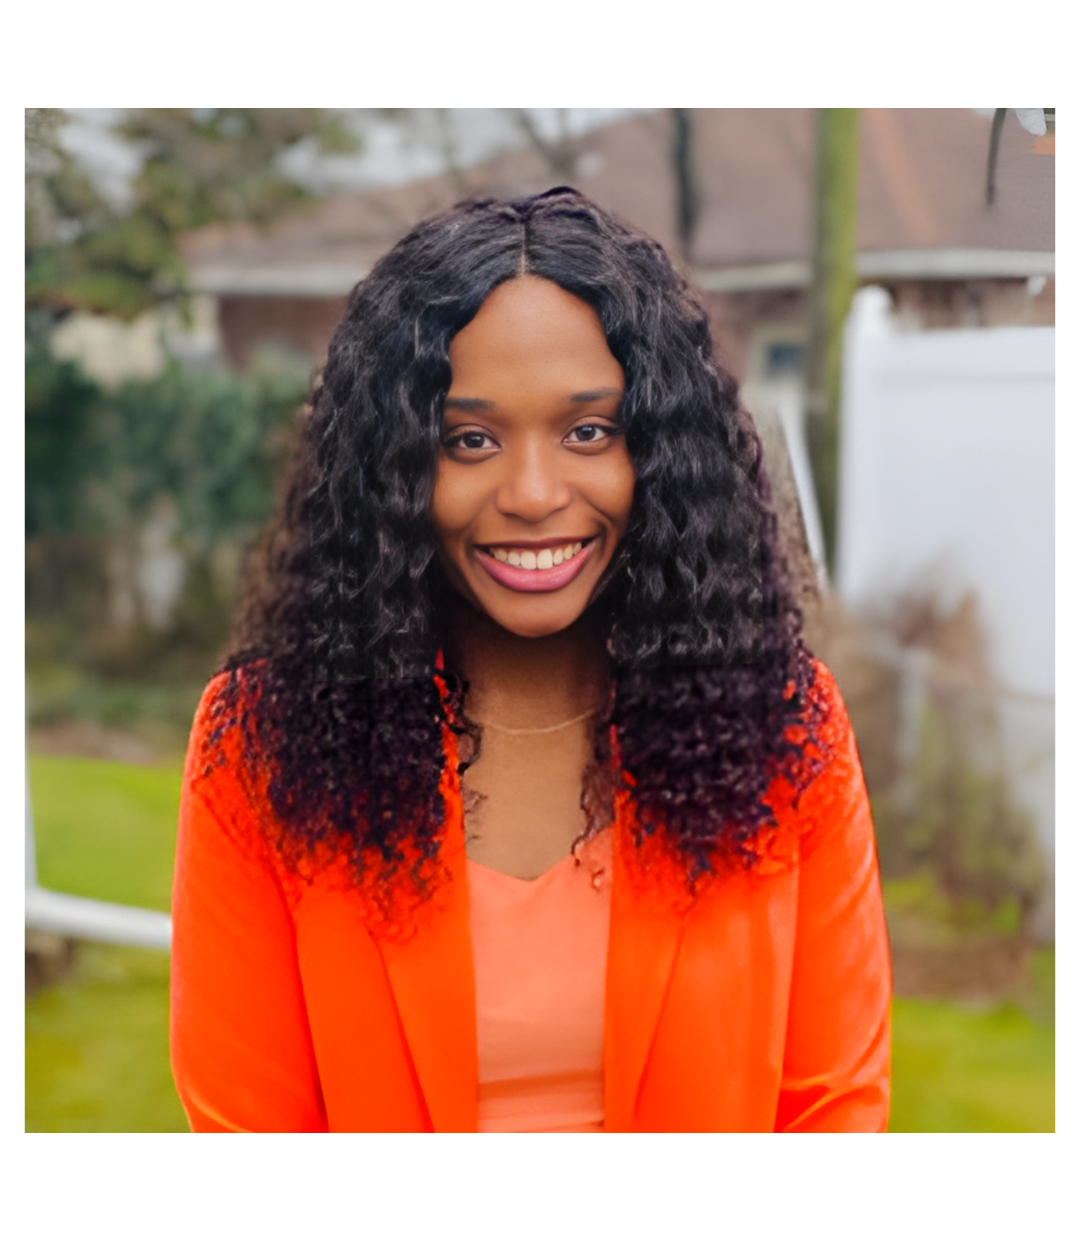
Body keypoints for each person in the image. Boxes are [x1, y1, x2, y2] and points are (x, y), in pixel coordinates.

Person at [170, 187, 890, 1133]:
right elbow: (248, 1129)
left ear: (664, 454)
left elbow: (831, 1106)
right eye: (469, 440)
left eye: (589, 430)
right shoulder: (262, 747)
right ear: (392, 471)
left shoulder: (784, 722)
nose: (534, 494)